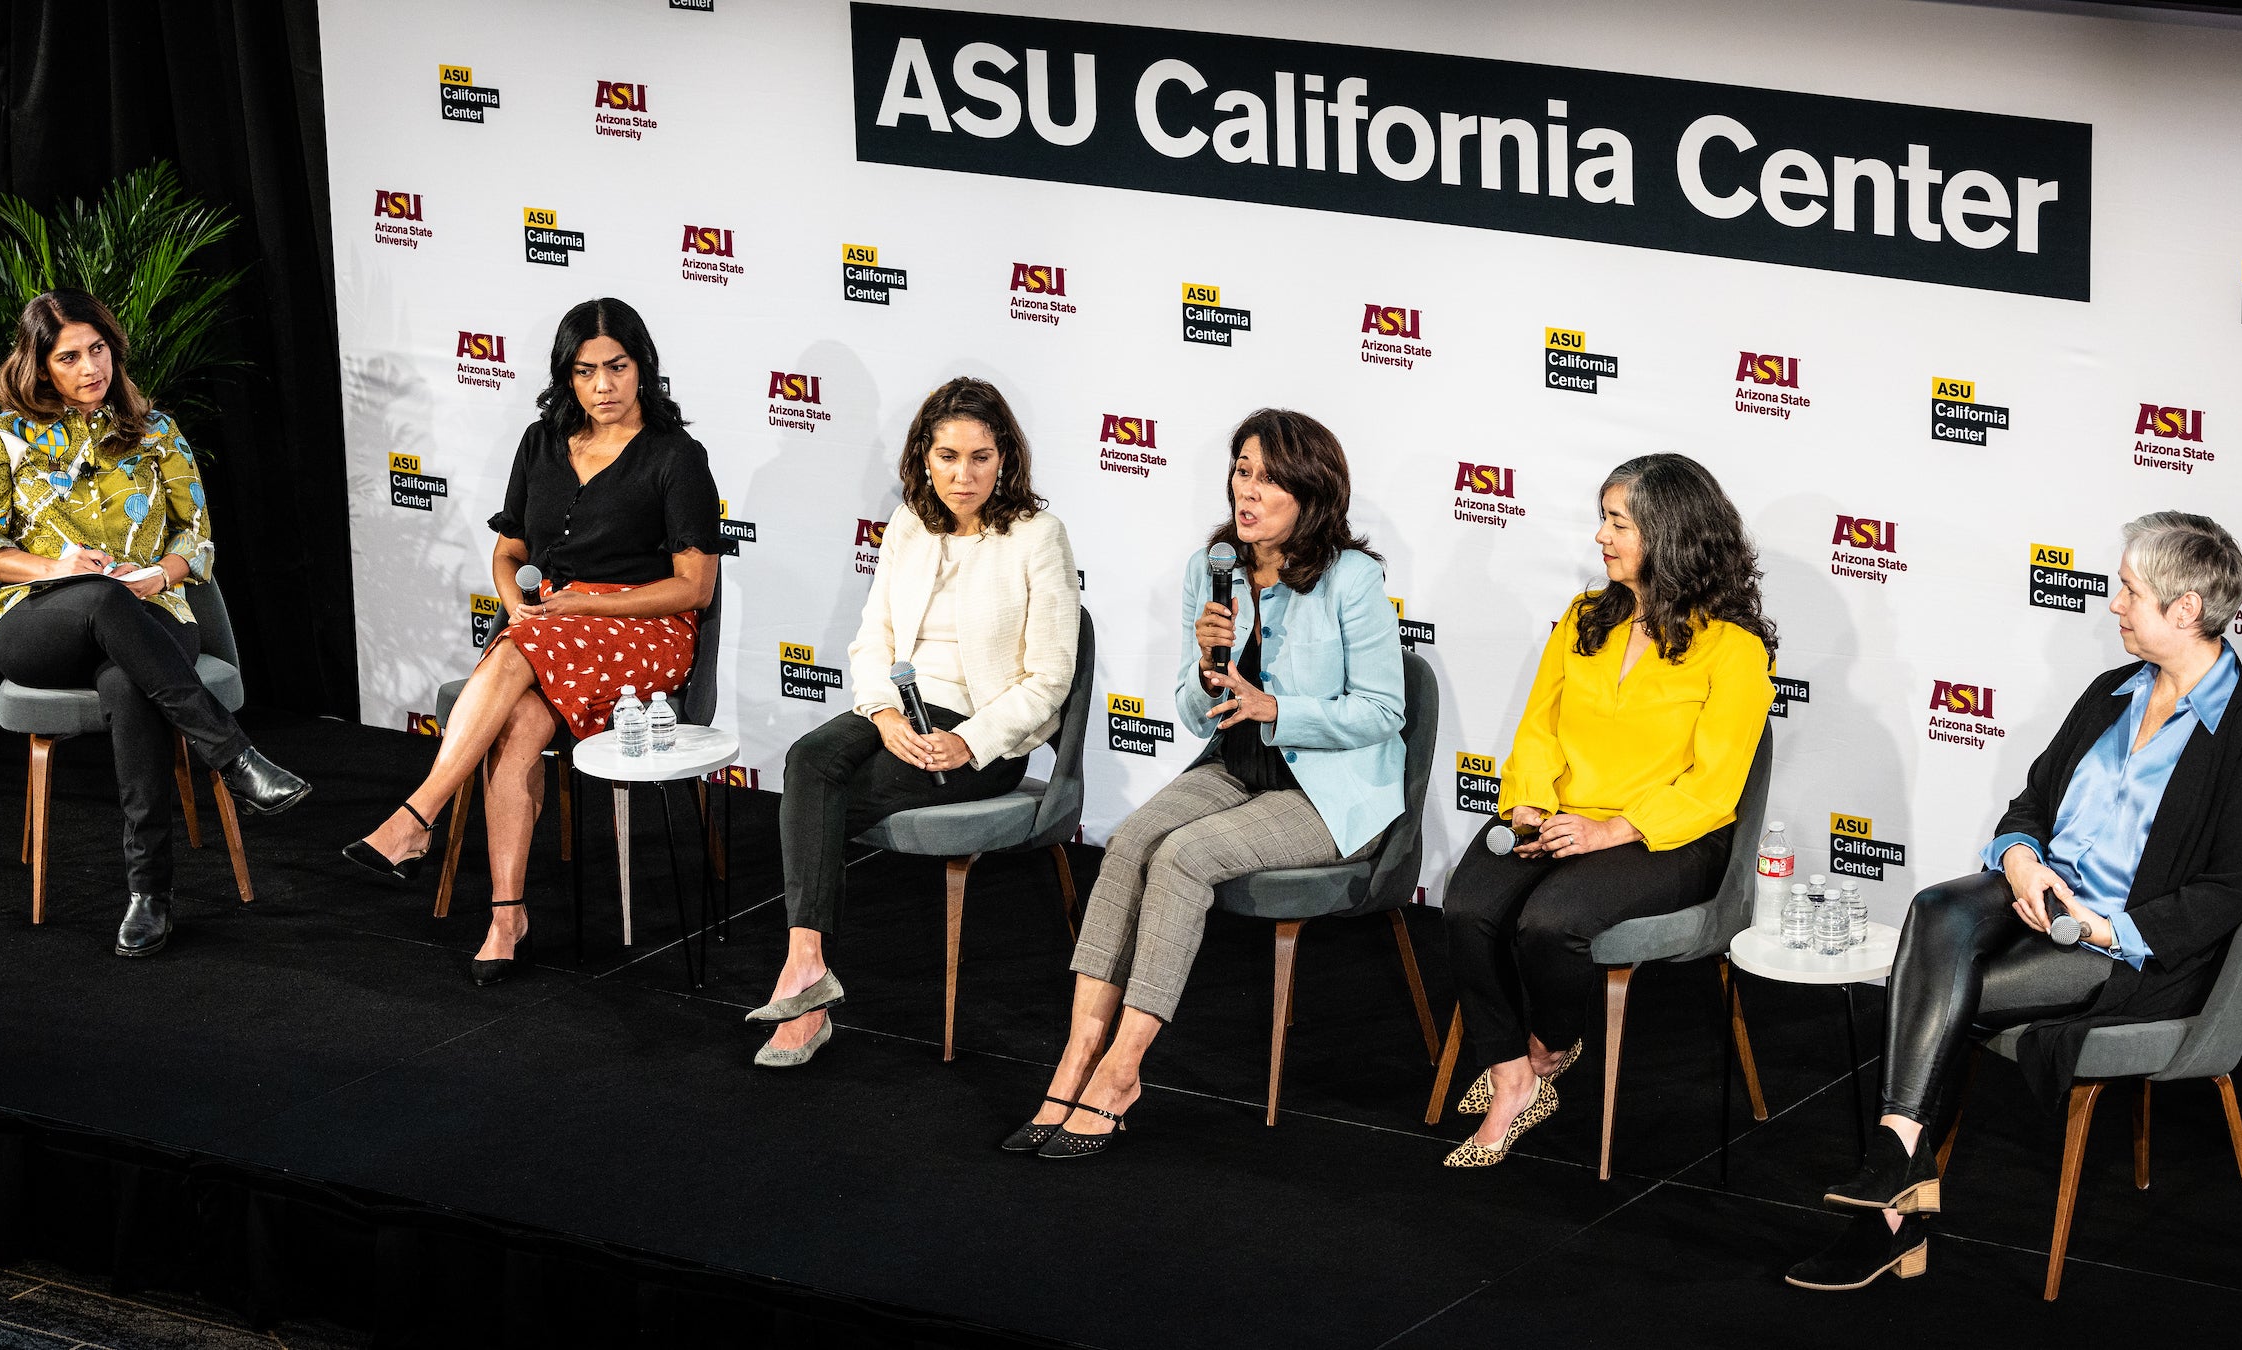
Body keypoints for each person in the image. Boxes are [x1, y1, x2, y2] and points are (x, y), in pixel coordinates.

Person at [1787, 512, 2242, 1291]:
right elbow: (2029, 804)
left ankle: (1892, 1209)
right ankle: (1896, 1165)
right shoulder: (2111, 693)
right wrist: (2021, 863)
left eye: (2129, 590)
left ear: (2184, 610)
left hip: (2125, 950)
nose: (2114, 604)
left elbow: (2228, 893)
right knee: (1934, 908)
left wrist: (2102, 923)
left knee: (1949, 997)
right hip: (2037, 899)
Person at [1004, 408, 1405, 1158]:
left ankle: (1122, 1073)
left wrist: (1278, 708)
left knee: (1183, 856)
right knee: (1129, 843)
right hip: (1234, 767)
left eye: (1269, 477)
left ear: (1311, 494)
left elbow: (1384, 711)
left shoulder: (1352, 580)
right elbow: (1198, 716)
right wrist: (1203, 665)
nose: (1247, 491)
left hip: (1327, 793)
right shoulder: (1212, 566)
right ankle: (1075, 1058)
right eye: (1243, 471)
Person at [344, 298, 720, 985]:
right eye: (585, 371)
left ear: (643, 368)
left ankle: (416, 815)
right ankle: (506, 914)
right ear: (566, 376)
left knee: (519, 653)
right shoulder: (540, 442)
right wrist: (518, 600)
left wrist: (578, 605)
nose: (603, 385)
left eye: (617, 367)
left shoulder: (677, 456)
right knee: (519, 718)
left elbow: (694, 588)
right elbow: (509, 550)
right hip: (552, 627)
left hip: (646, 632)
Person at [1439, 453, 1777, 1167]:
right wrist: (1528, 808)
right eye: (1604, 519)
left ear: (1671, 533)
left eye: (1618, 522)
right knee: (1467, 905)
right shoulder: (1585, 618)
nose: (1601, 536)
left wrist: (1610, 830)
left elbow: (1716, 789)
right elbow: (1538, 730)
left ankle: (1550, 1047)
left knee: (1550, 922)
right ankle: (1511, 1075)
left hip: (1666, 834)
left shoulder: (1735, 650)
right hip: (1559, 814)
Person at [0, 289, 309, 958]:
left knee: (126, 679)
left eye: (98, 350)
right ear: (39, 367)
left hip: (150, 611)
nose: (90, 367)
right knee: (96, 594)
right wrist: (56, 569)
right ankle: (232, 755)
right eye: (70, 357)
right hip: (40, 624)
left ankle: (150, 897)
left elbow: (197, 538)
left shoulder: (157, 431)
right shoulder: (2, 437)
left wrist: (160, 576)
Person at [748, 377, 1079, 1067]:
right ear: (924, 457)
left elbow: (1050, 678)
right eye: (948, 456)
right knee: (809, 761)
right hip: (900, 709)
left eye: (981, 457)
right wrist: (884, 709)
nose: (963, 475)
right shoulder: (908, 522)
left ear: (1006, 458)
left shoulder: (1038, 536)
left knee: (824, 800)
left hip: (984, 731)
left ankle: (803, 998)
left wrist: (970, 741)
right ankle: (806, 966)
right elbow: (873, 639)